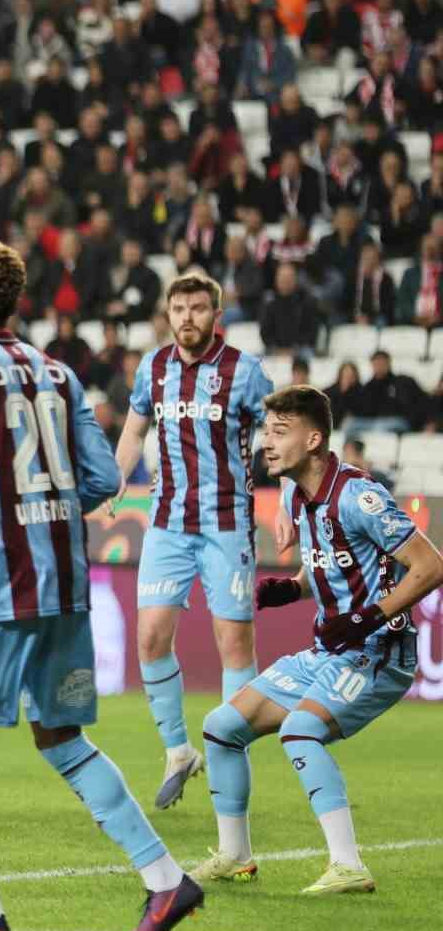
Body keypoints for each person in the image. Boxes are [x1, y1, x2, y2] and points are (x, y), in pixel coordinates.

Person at [0, 240, 201, 931]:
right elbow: (104, 480)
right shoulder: (59, 373)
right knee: (60, 734)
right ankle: (166, 880)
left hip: (1, 580)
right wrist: (47, 506)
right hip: (66, 578)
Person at [192, 386, 441, 893]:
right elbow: (333, 560)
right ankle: (235, 855)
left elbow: (430, 565)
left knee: (300, 730)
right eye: (266, 431)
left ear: (313, 440)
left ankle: (348, 866)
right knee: (221, 727)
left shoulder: (359, 496)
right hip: (331, 650)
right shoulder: (296, 494)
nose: (267, 442)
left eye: (279, 432)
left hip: (378, 652)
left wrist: (368, 618)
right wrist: (294, 588)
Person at [113, 273, 274, 808]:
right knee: (150, 639)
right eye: (178, 308)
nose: (187, 317)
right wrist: (117, 478)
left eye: (198, 308)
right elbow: (135, 429)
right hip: (167, 522)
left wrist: (291, 500)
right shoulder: (153, 367)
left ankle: (230, 751)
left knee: (234, 645)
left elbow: (281, 434)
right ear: (168, 313)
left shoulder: (244, 372)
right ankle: (179, 751)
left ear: (216, 314)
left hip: (227, 524)